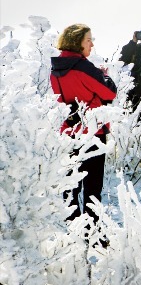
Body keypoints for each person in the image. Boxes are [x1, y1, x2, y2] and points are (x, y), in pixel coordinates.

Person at [50, 24, 117, 243]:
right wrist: (105, 77)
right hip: (92, 131)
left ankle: (73, 231)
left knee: (71, 185)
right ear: (77, 41)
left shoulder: (57, 68)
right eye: (89, 40)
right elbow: (108, 93)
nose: (92, 44)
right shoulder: (83, 67)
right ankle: (93, 234)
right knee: (92, 187)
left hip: (69, 131)